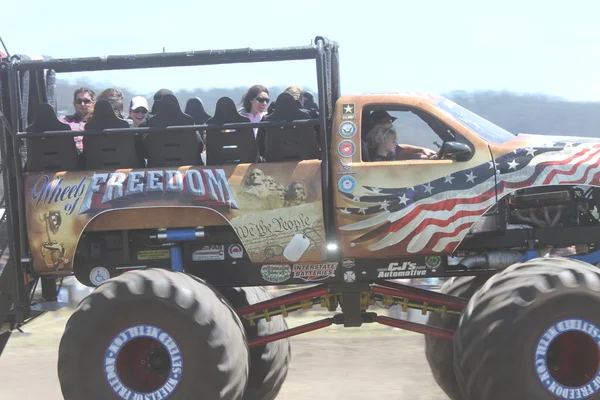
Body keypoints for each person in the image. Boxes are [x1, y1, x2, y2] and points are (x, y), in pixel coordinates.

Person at [59, 87, 95, 153]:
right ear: (74, 104)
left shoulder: (98, 124)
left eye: (86, 101)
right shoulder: (63, 122)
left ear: (93, 103)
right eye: (79, 101)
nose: (82, 104)